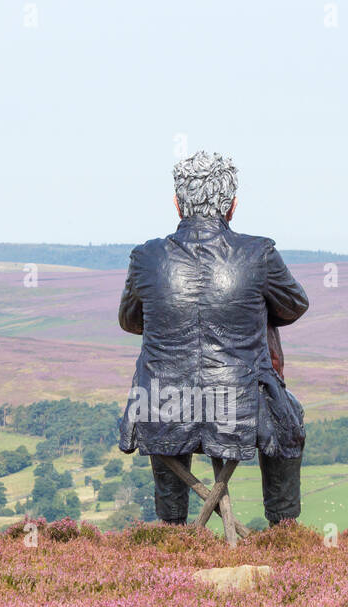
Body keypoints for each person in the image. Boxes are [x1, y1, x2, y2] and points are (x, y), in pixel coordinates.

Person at [117, 150, 309, 526]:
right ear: (232, 205)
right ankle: (283, 526)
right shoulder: (259, 253)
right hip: (238, 406)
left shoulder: (145, 257)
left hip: (162, 406)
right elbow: (295, 305)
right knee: (291, 418)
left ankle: (171, 524)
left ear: (177, 204)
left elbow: (129, 320)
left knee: (160, 389)